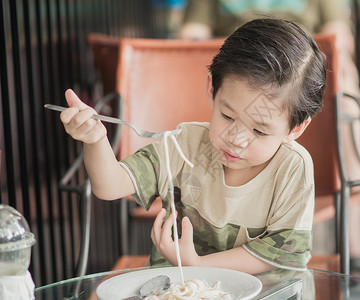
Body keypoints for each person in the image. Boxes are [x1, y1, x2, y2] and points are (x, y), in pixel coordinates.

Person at [59, 18, 326, 273]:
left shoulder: (292, 167)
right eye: (227, 116)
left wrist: (197, 265)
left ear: (296, 128)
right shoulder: (182, 146)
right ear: (212, 88)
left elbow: (282, 254)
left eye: (258, 130)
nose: (237, 138)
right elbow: (109, 186)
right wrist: (95, 139)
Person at [178, 0, 360, 280]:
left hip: (297, 80)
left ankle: (352, 239)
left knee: (347, 98)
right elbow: (190, 33)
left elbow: (339, 34)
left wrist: (290, 66)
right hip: (239, 78)